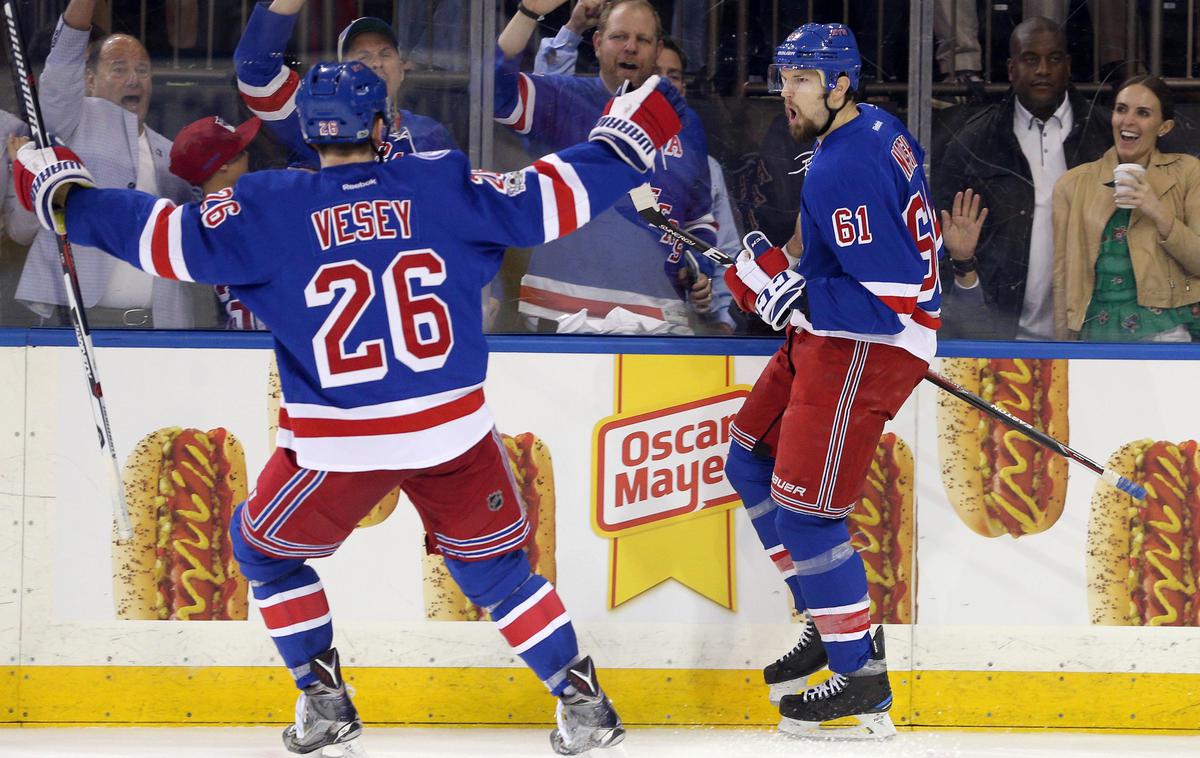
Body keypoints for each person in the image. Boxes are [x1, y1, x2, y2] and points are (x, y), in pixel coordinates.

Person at [15, 58, 686, 757]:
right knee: (500, 574)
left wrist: (65, 198)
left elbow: (164, 237)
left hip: (343, 443)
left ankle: (325, 700)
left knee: (261, 553)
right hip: (453, 432)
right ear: (378, 125)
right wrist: (624, 140)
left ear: (310, 131)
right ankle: (585, 706)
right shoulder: (438, 180)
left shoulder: (270, 204)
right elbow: (550, 196)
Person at [721, 23, 940, 738]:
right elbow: (823, 247)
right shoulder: (868, 130)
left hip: (867, 344)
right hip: (838, 325)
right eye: (784, 77)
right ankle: (826, 612)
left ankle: (861, 680)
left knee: (809, 514)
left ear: (841, 86)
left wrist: (796, 297)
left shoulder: (846, 162)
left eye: (803, 80)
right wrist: (774, 272)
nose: (787, 92)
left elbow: (894, 299)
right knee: (747, 456)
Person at [496, 0, 719, 334]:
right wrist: (528, 13)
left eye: (642, 40)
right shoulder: (561, 97)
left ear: (658, 50)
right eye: (619, 37)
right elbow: (493, 89)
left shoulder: (685, 122)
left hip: (660, 320)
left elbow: (699, 218)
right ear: (597, 43)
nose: (630, 47)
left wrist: (699, 265)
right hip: (560, 314)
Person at [15, 0, 198, 328]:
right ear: (88, 80)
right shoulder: (68, 123)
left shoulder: (172, 155)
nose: (134, 79)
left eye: (143, 70)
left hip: (159, 327)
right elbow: (63, 61)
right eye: (119, 68)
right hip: (78, 323)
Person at [933, 16, 1110, 340]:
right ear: (1012, 69)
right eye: (1031, 59)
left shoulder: (1104, 138)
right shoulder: (973, 142)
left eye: (1054, 59)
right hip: (998, 337)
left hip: (1088, 339)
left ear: (1068, 66)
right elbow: (942, 242)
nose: (1043, 69)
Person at [1053, 75, 1200, 342]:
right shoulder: (1072, 184)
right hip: (1098, 333)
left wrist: (1156, 209)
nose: (1128, 121)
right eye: (1121, 109)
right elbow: (1063, 277)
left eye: (1142, 113)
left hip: (1167, 332)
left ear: (1164, 127)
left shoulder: (1189, 172)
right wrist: (1063, 346)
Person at [235, 0, 456, 170]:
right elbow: (255, 70)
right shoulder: (318, 120)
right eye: (363, 56)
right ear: (340, 71)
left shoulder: (429, 133)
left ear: (402, 68)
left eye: (385, 53)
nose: (377, 63)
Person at [168, 114, 266, 329]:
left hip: (236, 335)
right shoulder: (252, 208)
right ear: (222, 165)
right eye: (240, 152)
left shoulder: (195, 220)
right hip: (270, 334)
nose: (248, 154)